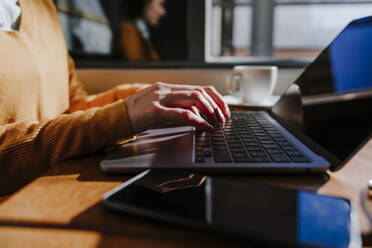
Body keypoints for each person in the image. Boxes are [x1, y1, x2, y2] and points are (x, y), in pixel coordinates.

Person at [0, 0, 230, 196]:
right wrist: (122, 115)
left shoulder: (42, 5)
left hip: (57, 178)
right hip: (16, 203)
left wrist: (147, 98)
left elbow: (74, 104)